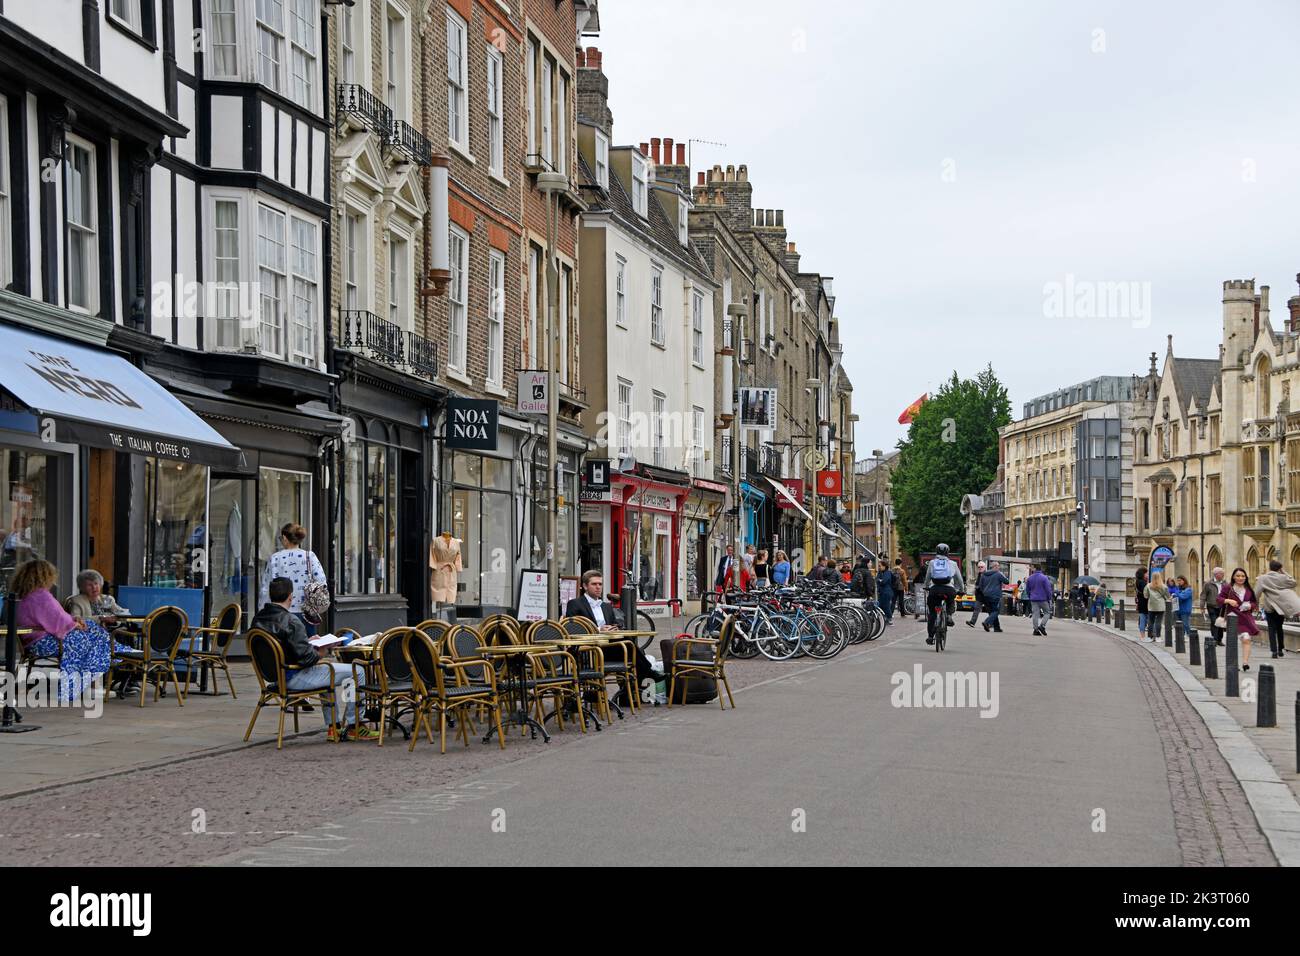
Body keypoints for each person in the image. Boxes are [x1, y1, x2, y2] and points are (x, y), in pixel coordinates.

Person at [252, 576, 375, 740]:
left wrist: (305, 642)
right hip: (293, 676)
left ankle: (335, 727)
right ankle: (355, 724)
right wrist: (321, 650)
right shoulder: (291, 621)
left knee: (326, 673)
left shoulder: (257, 619)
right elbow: (308, 659)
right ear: (290, 596)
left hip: (274, 678)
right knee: (357, 671)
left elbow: (280, 645)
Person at [12, 560, 132, 703]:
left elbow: (56, 617)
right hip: (42, 642)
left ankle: (90, 678)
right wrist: (74, 624)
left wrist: (74, 620)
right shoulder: (41, 595)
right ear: (44, 576)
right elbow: (58, 619)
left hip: (36, 641)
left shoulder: (30, 595)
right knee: (92, 640)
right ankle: (119, 654)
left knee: (92, 631)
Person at [564, 571, 663, 704]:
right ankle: (648, 674)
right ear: (585, 586)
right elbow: (572, 629)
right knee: (629, 645)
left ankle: (630, 694)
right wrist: (598, 630)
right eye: (594, 584)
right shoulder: (575, 604)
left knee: (632, 649)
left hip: (607, 648)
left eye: (600, 584)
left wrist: (613, 628)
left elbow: (612, 625)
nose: (598, 587)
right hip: (587, 650)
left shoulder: (606, 606)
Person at [260, 523, 328, 636]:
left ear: (285, 538)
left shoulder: (275, 558)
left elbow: (266, 587)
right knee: (308, 647)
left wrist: (263, 610)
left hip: (281, 613)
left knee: (284, 648)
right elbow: (321, 582)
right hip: (307, 613)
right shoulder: (309, 556)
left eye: (281, 538)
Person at [1254, 559, 1300, 660]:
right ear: (1279, 568)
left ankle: (1274, 651)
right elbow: (1294, 583)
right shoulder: (1283, 577)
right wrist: (1283, 572)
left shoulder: (1263, 578)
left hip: (1269, 606)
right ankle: (1280, 649)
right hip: (1281, 607)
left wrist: (1255, 604)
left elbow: (1257, 593)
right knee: (1279, 627)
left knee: (1271, 628)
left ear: (1270, 567)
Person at [922, 544, 965, 644]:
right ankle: (949, 615)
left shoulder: (932, 562)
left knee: (932, 613)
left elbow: (928, 576)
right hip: (949, 589)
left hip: (935, 589)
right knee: (950, 602)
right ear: (948, 552)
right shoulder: (953, 563)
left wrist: (926, 586)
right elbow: (959, 579)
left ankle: (930, 636)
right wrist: (962, 589)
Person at [1218, 568, 1259, 671]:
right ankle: (1232, 664)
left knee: (1246, 639)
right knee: (1232, 642)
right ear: (1233, 577)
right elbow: (1219, 599)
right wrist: (1228, 600)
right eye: (1238, 576)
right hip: (1232, 618)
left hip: (1245, 619)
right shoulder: (1228, 587)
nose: (1240, 578)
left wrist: (1250, 606)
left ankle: (1245, 663)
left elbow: (1254, 603)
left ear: (1246, 578)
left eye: (1243, 576)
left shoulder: (1249, 589)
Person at [63, 569, 130, 626]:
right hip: (88, 634)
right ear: (82, 587)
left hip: (112, 632)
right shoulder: (78, 600)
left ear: (100, 584)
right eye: (89, 585)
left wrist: (116, 619)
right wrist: (100, 618)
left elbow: (122, 613)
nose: (94, 587)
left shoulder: (108, 599)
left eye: (96, 583)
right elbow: (75, 619)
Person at [977, 560, 1008, 632]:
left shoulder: (984, 574)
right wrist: (1002, 575)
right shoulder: (998, 574)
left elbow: (980, 586)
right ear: (995, 567)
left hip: (986, 595)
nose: (999, 567)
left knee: (992, 611)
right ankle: (986, 622)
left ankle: (997, 628)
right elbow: (1006, 581)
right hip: (995, 595)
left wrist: (984, 592)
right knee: (996, 611)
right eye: (998, 566)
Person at [1025, 564, 1054, 636]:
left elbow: (1027, 590)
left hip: (1033, 599)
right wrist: (1049, 598)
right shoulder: (1044, 578)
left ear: (1035, 568)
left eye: (1032, 567)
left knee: (1035, 614)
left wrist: (1030, 596)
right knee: (1047, 612)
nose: (1031, 569)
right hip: (1043, 599)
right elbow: (1048, 589)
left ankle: (1035, 630)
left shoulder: (1030, 578)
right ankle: (1042, 626)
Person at [1202, 567, 1226, 646]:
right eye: (1221, 574)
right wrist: (1202, 606)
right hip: (1211, 605)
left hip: (1222, 606)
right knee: (1214, 622)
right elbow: (1203, 595)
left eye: (1223, 574)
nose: (1223, 575)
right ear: (1216, 574)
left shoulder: (1225, 583)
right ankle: (1214, 639)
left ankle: (1219, 639)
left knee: (1221, 622)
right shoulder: (1208, 583)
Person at [1144, 572, 1170, 644]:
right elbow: (1168, 596)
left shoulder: (1148, 586)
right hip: (1160, 606)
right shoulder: (1164, 586)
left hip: (1151, 606)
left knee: (1150, 622)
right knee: (1158, 622)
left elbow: (1145, 596)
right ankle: (1158, 637)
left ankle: (1150, 637)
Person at [966, 561, 988, 627]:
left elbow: (985, 585)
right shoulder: (979, 574)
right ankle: (972, 622)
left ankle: (992, 622)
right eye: (979, 567)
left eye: (981, 567)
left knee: (990, 609)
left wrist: (978, 587)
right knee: (976, 609)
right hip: (979, 596)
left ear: (985, 567)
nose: (980, 568)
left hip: (986, 595)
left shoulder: (986, 574)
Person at [1134, 567, 1149, 636]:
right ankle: (1143, 635)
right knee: (1144, 619)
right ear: (1143, 574)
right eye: (1146, 573)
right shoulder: (1142, 582)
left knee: (1142, 619)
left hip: (1141, 602)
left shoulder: (1137, 581)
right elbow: (1146, 592)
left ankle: (1142, 634)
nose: (1147, 575)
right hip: (1144, 603)